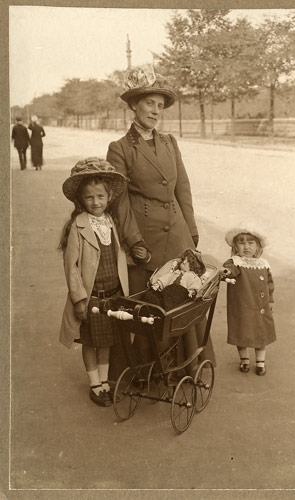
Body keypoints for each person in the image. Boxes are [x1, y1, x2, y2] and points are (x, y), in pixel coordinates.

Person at [106, 64, 215, 376]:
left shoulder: (170, 142)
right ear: (133, 106)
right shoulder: (120, 148)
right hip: (146, 239)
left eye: (159, 106)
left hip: (178, 235)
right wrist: (134, 242)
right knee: (152, 305)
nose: (155, 111)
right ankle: (148, 372)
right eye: (148, 104)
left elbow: (183, 187)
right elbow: (120, 200)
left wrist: (191, 230)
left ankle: (187, 367)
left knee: (185, 298)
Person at [59, 157, 130, 406]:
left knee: (107, 341)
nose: (95, 202)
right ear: (81, 199)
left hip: (112, 295)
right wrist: (79, 299)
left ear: (109, 197)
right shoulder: (77, 227)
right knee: (90, 342)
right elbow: (72, 267)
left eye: (100, 196)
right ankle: (94, 384)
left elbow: (119, 257)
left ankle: (104, 381)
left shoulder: (111, 223)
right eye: (89, 197)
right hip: (92, 297)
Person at [221, 225, 276, 376]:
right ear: (235, 246)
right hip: (242, 306)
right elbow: (229, 270)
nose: (246, 247)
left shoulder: (263, 264)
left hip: (260, 306)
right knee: (242, 331)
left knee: (261, 332)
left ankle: (260, 362)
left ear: (258, 246)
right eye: (242, 243)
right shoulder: (235, 262)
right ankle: (244, 359)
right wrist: (226, 272)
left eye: (251, 243)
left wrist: (270, 300)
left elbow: (269, 284)